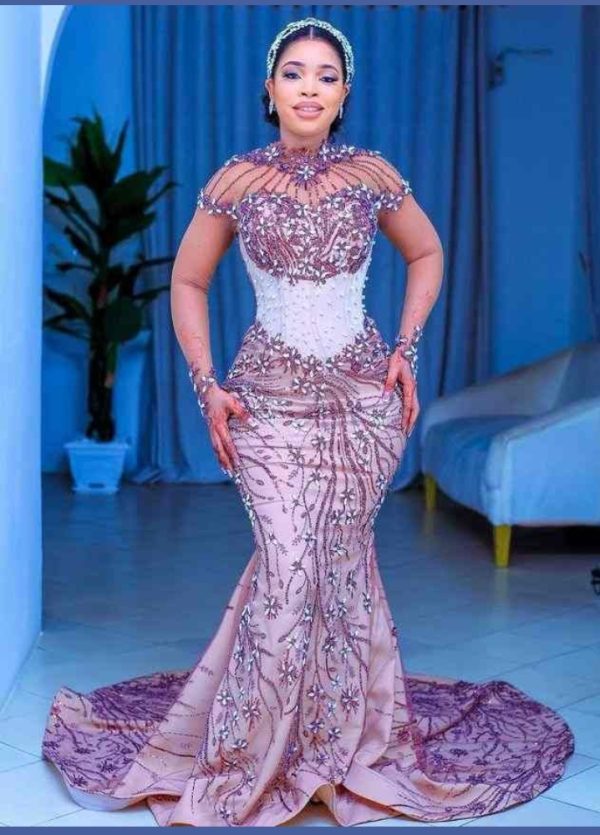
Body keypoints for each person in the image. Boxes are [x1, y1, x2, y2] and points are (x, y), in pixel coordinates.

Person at [42, 17, 574, 828]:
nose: (310, 88)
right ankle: (252, 751)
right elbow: (187, 282)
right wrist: (207, 385)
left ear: (344, 93)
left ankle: (337, 744)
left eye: (327, 76)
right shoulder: (237, 181)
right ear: (270, 88)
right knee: (288, 568)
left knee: (341, 567)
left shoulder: (371, 174)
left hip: (362, 402)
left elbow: (427, 253)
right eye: (295, 73)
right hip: (265, 400)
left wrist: (404, 347)